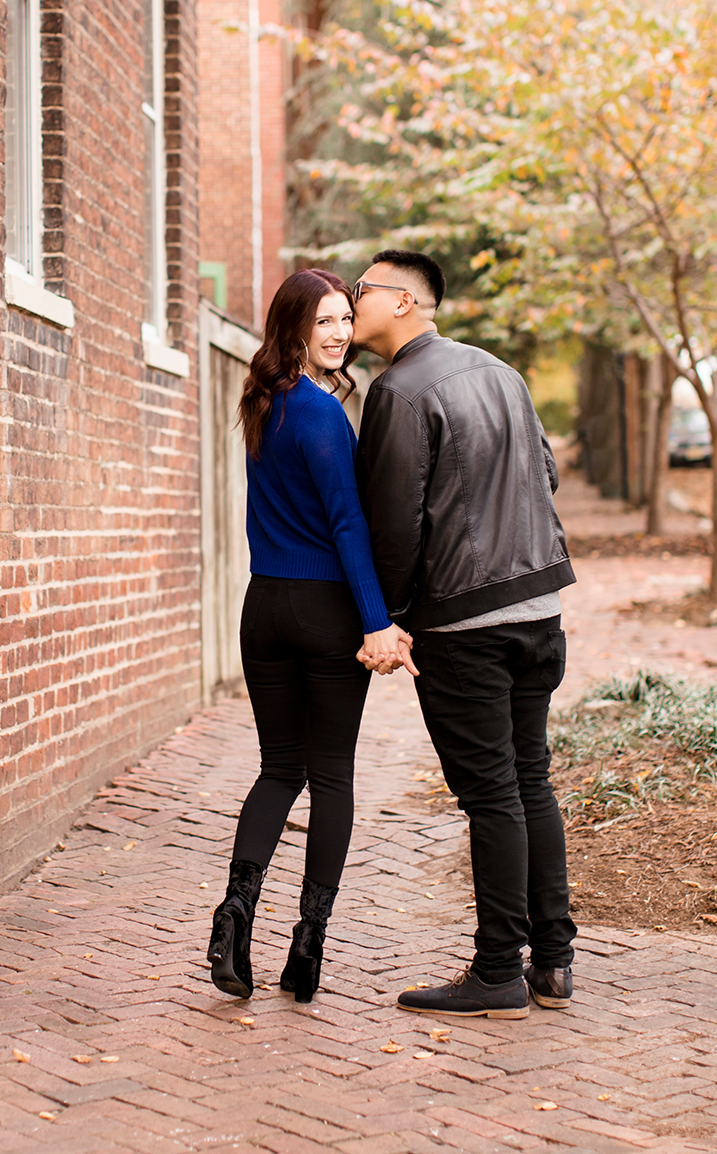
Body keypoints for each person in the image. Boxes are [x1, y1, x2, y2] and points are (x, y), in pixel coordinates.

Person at [351, 249, 577, 1020]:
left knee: (491, 794)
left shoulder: (399, 389)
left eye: (363, 291)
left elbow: (393, 521)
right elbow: (543, 471)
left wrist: (388, 615)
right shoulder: (499, 371)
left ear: (406, 302)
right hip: (538, 610)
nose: (352, 302)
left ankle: (495, 972)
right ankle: (551, 963)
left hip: (464, 622)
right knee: (529, 780)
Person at [207, 268, 416, 1005]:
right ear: (292, 328)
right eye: (322, 321)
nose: (337, 333)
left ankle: (233, 914)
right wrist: (375, 621)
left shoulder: (261, 403)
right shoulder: (324, 415)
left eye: (342, 320)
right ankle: (308, 942)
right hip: (326, 611)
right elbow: (346, 523)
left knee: (276, 769)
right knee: (328, 774)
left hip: (264, 606)